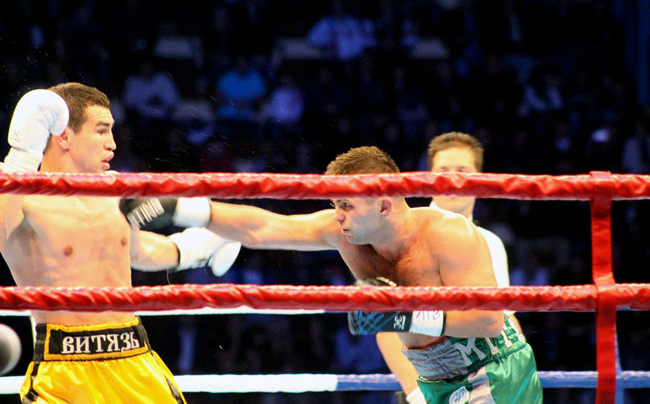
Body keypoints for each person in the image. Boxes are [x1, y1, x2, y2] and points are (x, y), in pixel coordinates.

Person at [121, 145, 543, 403]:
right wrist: (184, 207)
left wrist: (403, 316)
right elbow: (264, 227)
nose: (337, 216)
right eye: (335, 204)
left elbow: (489, 320)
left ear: (384, 204)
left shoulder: (448, 233)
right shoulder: (345, 233)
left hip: (492, 371)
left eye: (346, 205)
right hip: (434, 378)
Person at [0, 83, 241, 403]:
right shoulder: (21, 198)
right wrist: (21, 158)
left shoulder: (114, 191)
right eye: (101, 131)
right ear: (64, 136)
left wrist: (197, 247)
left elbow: (134, 249)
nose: (112, 144)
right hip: (64, 369)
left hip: (133, 356)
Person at [379, 131, 523, 404]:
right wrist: (418, 396)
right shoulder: (404, 236)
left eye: (462, 171)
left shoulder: (491, 243)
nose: (452, 179)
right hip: (428, 384)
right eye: (443, 171)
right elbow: (388, 325)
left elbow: (505, 320)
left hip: (485, 385)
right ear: (429, 177)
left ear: (479, 179)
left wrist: (520, 378)